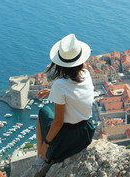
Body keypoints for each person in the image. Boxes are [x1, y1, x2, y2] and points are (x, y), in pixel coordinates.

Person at [36, 34, 96, 163]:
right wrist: (52, 91)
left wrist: (46, 143)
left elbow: (58, 122)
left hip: (69, 140)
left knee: (44, 111)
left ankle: (41, 153)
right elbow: (75, 91)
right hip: (86, 132)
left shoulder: (60, 85)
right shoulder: (86, 74)